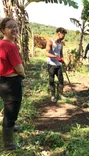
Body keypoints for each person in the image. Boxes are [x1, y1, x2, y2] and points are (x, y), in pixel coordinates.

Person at [0, 17, 25, 150]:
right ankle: (9, 144)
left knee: (8, 105)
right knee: (12, 109)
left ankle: (11, 126)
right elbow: (19, 68)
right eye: (10, 27)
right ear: (3, 30)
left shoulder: (1, 44)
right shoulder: (10, 45)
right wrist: (23, 74)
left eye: (16, 26)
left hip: (2, 81)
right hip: (11, 82)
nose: (14, 29)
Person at [46, 27, 67, 102]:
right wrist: (56, 57)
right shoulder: (50, 42)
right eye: (63, 35)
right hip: (51, 64)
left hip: (58, 65)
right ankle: (53, 96)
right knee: (52, 80)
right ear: (58, 33)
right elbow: (47, 53)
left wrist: (63, 60)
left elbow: (61, 54)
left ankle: (60, 94)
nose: (63, 37)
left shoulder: (61, 43)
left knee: (61, 80)